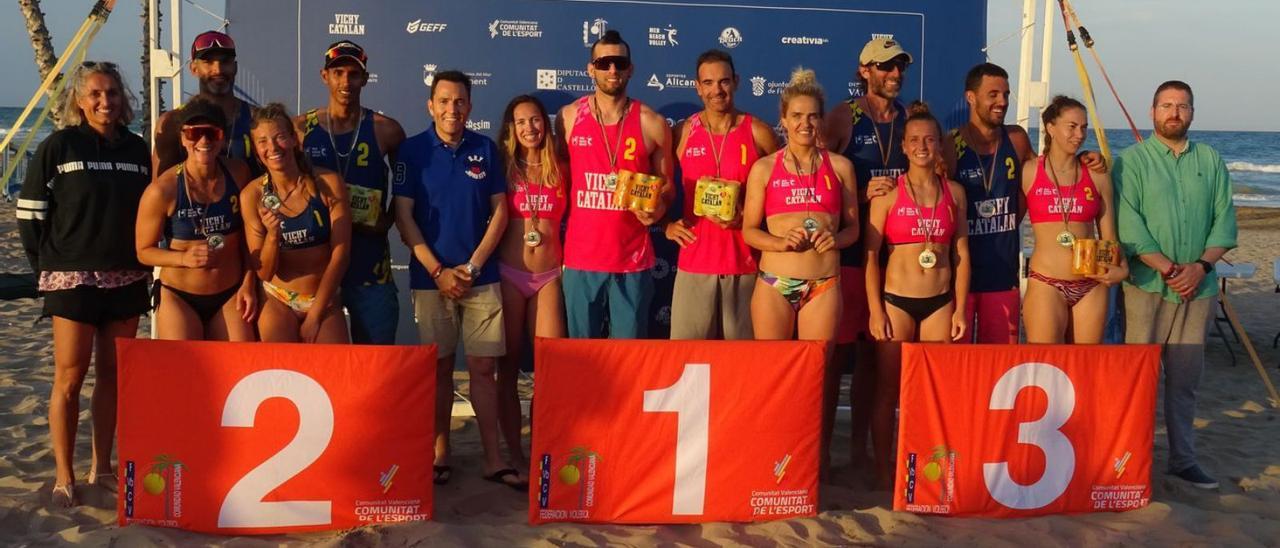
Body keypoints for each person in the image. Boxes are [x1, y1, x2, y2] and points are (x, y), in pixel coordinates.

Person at [17, 62, 151, 507]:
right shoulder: (60, 145)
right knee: (69, 379)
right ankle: (63, 475)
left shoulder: (137, 150)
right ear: (79, 99)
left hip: (127, 276)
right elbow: (30, 213)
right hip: (71, 278)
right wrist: (48, 267)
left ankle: (102, 468)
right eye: (94, 93)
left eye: (112, 92)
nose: (104, 101)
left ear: (122, 97)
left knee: (111, 377)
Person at [392, 71, 517, 489]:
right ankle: (440, 452)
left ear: (470, 106)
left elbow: (501, 212)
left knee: (483, 370)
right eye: (444, 101)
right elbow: (404, 217)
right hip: (431, 281)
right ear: (431, 106)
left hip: (481, 277)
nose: (452, 109)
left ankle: (493, 458)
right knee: (441, 370)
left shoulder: (485, 148)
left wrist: (473, 267)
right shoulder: (412, 151)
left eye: (459, 101)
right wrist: (437, 271)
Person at [1114, 80, 1237, 490]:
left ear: (1192, 113)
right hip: (1146, 286)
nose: (1174, 112)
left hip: (1197, 290)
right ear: (1152, 112)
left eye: (1182, 106)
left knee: (1185, 383)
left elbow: (1224, 219)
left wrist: (1200, 267)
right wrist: (1167, 268)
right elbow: (1128, 223)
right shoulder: (1131, 161)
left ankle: (1183, 459)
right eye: (1166, 105)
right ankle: (1132, 460)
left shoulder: (1211, 160)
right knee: (1138, 382)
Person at [742, 68, 858, 477]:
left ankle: (811, 462)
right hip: (774, 283)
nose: (805, 124)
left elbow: (853, 229)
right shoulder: (764, 168)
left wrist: (835, 240)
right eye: (797, 116)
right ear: (783, 118)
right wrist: (779, 242)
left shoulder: (840, 167)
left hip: (823, 284)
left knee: (816, 379)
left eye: (812, 117)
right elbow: (749, 230)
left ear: (821, 120)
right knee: (772, 377)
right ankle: (769, 457)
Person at [863, 102, 970, 489]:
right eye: (914, 141)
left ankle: (926, 464)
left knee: (930, 391)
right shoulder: (888, 195)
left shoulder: (954, 193)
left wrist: (959, 308)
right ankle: (881, 470)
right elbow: (871, 256)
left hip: (940, 302)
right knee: (889, 389)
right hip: (896, 302)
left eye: (929, 140)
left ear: (939, 145)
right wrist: (876, 310)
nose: (922, 146)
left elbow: (961, 255)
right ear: (904, 147)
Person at [821, 36, 910, 478]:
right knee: (835, 361)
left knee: (877, 364)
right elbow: (812, 182)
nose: (894, 75)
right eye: (885, 67)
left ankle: (863, 456)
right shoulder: (843, 117)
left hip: (894, 261)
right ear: (864, 70)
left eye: (899, 68)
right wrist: (858, 188)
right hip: (850, 258)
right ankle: (822, 457)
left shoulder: (910, 120)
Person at [556, 29, 673, 339]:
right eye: (604, 63)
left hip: (632, 260)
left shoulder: (651, 122)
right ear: (590, 68)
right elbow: (558, 186)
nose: (612, 70)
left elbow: (667, 188)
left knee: (628, 358)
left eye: (619, 64)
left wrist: (657, 209)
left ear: (630, 69)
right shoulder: (568, 118)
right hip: (582, 260)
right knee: (582, 359)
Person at [664, 49, 777, 340]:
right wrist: (665, 224)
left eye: (724, 81)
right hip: (695, 265)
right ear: (698, 87)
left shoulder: (758, 132)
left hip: (745, 265)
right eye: (709, 83)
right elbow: (656, 184)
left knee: (743, 366)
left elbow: (782, 195)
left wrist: (747, 219)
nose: (717, 90)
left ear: (736, 82)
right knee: (687, 363)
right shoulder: (683, 132)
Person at [297, 40, 406, 344]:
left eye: (354, 74)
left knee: (376, 362)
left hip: (369, 263)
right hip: (317, 267)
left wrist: (391, 216)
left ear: (365, 79)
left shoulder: (387, 130)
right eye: (338, 72)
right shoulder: (300, 129)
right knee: (321, 368)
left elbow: (408, 188)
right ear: (324, 76)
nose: (346, 82)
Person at [136, 98, 257, 340]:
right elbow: (143, 251)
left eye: (211, 133)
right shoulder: (162, 190)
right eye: (194, 133)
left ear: (222, 138)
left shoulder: (239, 173)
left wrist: (249, 282)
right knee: (184, 373)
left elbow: (248, 238)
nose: (203, 141)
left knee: (238, 369)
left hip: (230, 292)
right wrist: (183, 258)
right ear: (183, 138)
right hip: (180, 296)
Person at [496, 95, 566, 483]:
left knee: (550, 368)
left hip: (549, 277)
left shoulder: (562, 169)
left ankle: (543, 447)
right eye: (521, 122)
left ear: (546, 124)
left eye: (536, 120)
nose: (529, 128)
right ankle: (514, 453)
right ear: (511, 128)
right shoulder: (504, 168)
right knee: (506, 368)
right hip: (510, 274)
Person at [240, 103, 351, 343]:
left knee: (332, 372)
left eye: (279, 137)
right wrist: (272, 236)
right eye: (262, 141)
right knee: (278, 371)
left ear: (293, 139)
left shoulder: (327, 182)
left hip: (323, 297)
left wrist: (315, 317)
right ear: (256, 150)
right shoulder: (252, 195)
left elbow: (341, 254)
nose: (272, 147)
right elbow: (265, 272)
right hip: (278, 297)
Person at [1021, 96, 1127, 343]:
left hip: (1091, 283)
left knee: (1083, 366)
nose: (1079, 134)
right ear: (1050, 127)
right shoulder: (1029, 172)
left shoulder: (1097, 174)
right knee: (1046, 364)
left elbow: (1109, 237)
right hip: (1046, 282)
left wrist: (1121, 269)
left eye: (1083, 127)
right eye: (1072, 126)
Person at [943, 63, 1035, 343]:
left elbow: (1046, 177)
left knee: (999, 366)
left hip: (1002, 275)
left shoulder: (1016, 139)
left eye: (1006, 94)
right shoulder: (951, 143)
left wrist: (1083, 159)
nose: (1002, 102)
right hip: (960, 278)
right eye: (993, 94)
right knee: (957, 364)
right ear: (971, 97)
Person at [153, 31, 258, 177]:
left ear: (235, 68)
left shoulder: (257, 119)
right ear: (194, 69)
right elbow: (160, 189)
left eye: (225, 61)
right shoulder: (172, 122)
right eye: (208, 62)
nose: (218, 70)